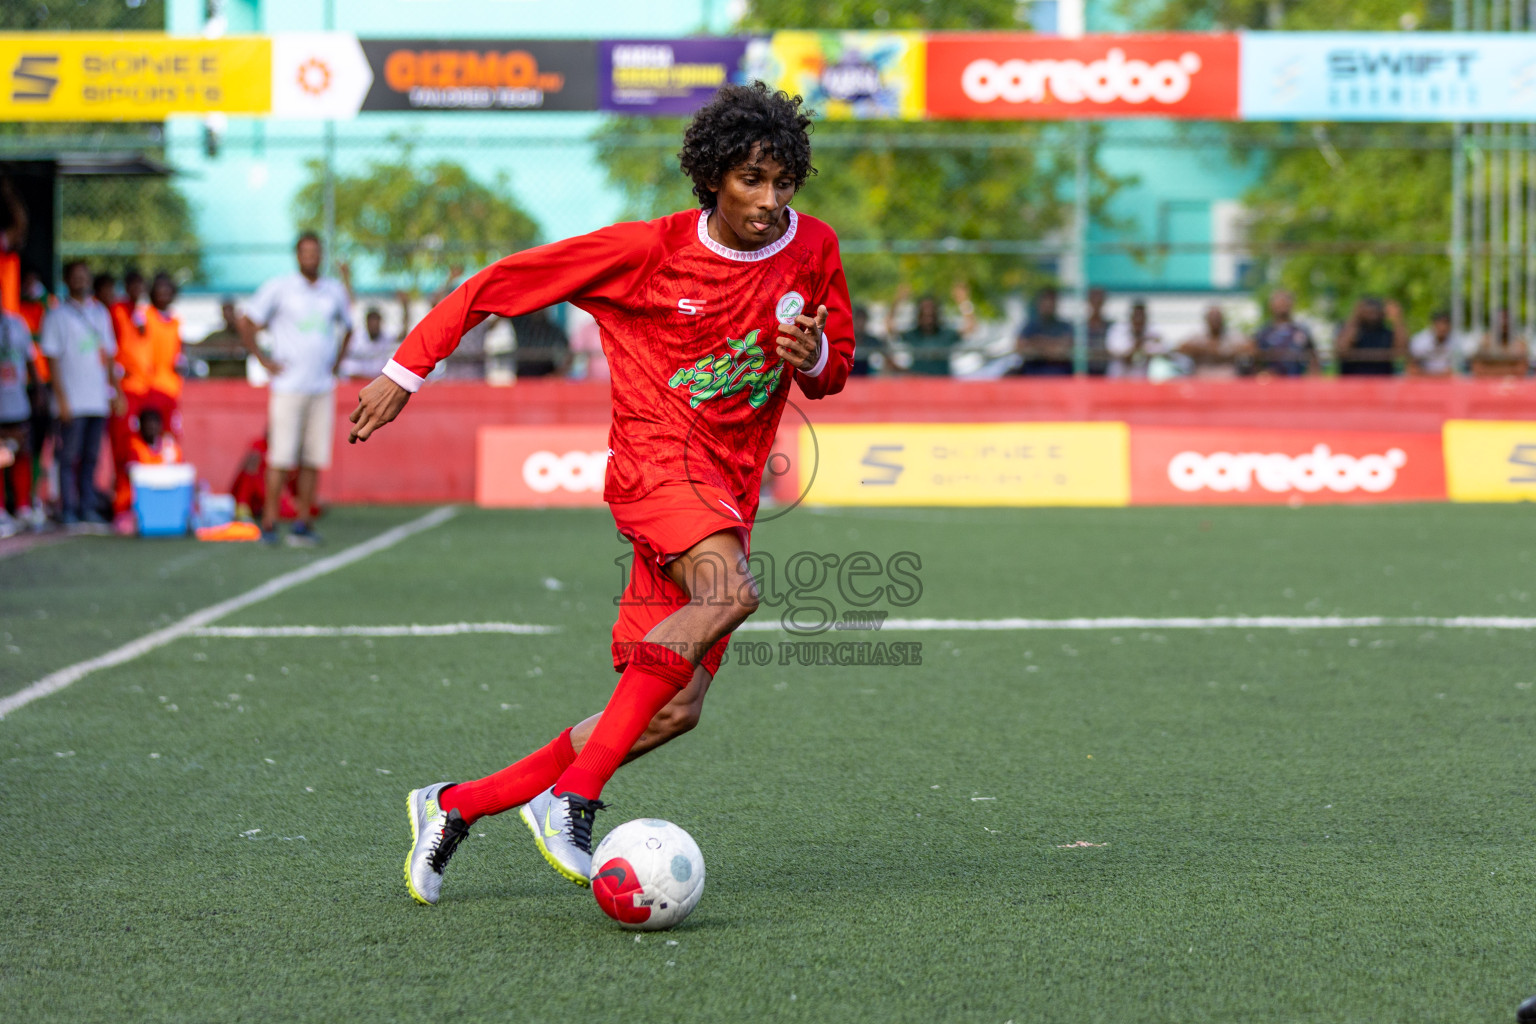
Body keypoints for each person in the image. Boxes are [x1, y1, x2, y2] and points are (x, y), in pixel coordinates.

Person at [347, 82, 852, 906]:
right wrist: (407, 371)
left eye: (783, 182)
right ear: (713, 177)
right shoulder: (645, 251)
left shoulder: (815, 249)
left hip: (728, 490)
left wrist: (815, 353)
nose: (769, 201)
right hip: (655, 468)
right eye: (750, 181)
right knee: (731, 593)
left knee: (671, 710)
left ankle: (454, 805)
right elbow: (500, 283)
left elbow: (835, 373)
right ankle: (575, 797)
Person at [237, 232, 354, 547]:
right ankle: (270, 522)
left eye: (316, 252)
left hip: (320, 388)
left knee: (313, 458)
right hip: (288, 387)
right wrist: (262, 359)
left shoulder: (333, 291)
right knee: (280, 457)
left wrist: (336, 363)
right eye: (305, 252)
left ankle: (303, 523)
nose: (311, 257)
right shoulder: (280, 288)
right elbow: (247, 320)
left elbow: (350, 327)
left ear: (322, 255)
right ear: (297, 255)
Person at [39, 260, 120, 529]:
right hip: (71, 400)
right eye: (75, 276)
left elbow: (108, 356)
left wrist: (115, 391)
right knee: (67, 457)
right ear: (66, 280)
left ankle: (87, 507)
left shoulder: (101, 314)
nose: (81, 281)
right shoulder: (57, 316)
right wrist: (61, 399)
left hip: (97, 400)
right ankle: (68, 508)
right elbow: (51, 361)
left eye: (85, 276)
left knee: (91, 457)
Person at [110, 272, 183, 524]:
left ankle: (168, 504)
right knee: (130, 448)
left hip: (167, 393)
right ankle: (124, 504)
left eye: (167, 288)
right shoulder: (143, 314)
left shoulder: (174, 321)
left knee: (169, 448)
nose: (163, 293)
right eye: (158, 288)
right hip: (144, 391)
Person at [887, 283, 972, 376]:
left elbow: (970, 327)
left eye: (931, 315)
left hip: (942, 384)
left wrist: (963, 301)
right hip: (917, 384)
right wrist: (897, 301)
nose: (928, 319)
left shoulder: (946, 334)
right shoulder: (913, 334)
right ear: (918, 315)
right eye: (924, 314)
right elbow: (890, 328)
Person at [0, 304, 34, 536]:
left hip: (17, 401)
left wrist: (39, 387)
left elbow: (30, 359)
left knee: (22, 451)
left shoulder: (16, 323)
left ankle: (23, 507)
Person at [339, 296, 407, 380]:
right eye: (371, 320)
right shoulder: (356, 337)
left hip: (378, 379)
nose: (374, 324)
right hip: (357, 379)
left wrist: (405, 308)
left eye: (376, 320)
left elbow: (403, 335)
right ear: (366, 322)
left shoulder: (386, 336)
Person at [1251, 289, 1316, 376]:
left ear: (1292, 304)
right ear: (1271, 305)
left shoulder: (1301, 330)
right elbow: (1255, 360)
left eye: (1285, 301)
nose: (1282, 304)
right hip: (1271, 383)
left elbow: (1313, 357)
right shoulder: (1263, 333)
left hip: (1297, 382)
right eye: (1278, 302)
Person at [1178, 305, 1253, 379]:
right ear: (1206, 320)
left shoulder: (1235, 338)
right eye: (1212, 318)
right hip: (1201, 377)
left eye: (1217, 318)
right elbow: (1179, 350)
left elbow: (1252, 350)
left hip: (1229, 377)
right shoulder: (1196, 338)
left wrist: (1226, 352)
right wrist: (1204, 350)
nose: (1215, 321)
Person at [1335, 297, 1406, 376]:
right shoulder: (1350, 329)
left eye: (1375, 312)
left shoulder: (1386, 333)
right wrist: (1355, 318)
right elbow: (1342, 350)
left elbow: (1401, 351)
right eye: (1368, 312)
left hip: (1382, 382)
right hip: (1352, 382)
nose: (1372, 316)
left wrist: (1397, 319)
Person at [1014, 286, 1074, 375]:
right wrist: (1052, 345)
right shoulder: (1030, 326)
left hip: (1060, 373)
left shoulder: (1065, 326)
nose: (1048, 305)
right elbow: (1020, 348)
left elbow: (1065, 348)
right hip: (1033, 373)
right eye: (1045, 301)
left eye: (1051, 301)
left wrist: (1038, 342)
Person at [1104, 299, 1169, 378]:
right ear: (1131, 317)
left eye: (1141, 317)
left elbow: (1163, 352)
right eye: (1136, 316)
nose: (1138, 320)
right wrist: (1138, 344)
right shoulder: (1118, 330)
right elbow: (1120, 355)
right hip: (1119, 379)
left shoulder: (1154, 331)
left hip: (1144, 380)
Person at [1407, 311, 1472, 377]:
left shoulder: (1457, 341)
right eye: (1439, 324)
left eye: (1445, 324)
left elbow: (1459, 368)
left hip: (1449, 381)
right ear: (1433, 325)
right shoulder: (1420, 341)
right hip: (1423, 380)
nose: (1442, 327)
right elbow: (1413, 368)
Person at [1471, 308, 1529, 378]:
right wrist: (1509, 369)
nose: (1503, 323)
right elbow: (1478, 369)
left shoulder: (1519, 344)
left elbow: (1520, 370)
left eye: (1506, 321)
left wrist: (1491, 369)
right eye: (1501, 320)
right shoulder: (1485, 342)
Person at [1084, 286, 1112, 376]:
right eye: (1093, 298)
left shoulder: (1111, 327)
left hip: (1106, 373)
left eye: (1099, 299)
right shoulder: (1080, 328)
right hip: (1085, 372)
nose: (1096, 302)